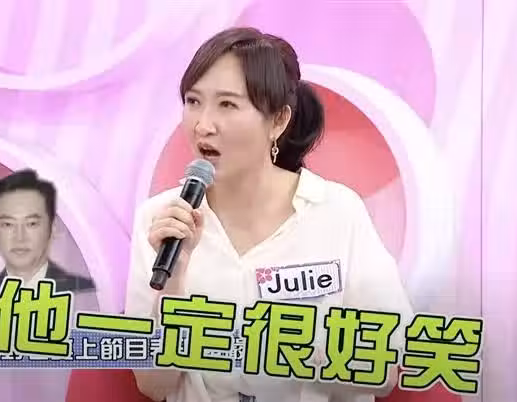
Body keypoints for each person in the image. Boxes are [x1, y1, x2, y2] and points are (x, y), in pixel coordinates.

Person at [125, 27, 414, 402]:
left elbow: (385, 370)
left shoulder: (337, 212)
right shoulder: (161, 220)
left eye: (227, 105)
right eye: (193, 101)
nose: (203, 125)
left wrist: (284, 350)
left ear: (278, 121)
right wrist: (175, 279)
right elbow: (152, 385)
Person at [0, 169, 95, 308]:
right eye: (8, 224)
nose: (19, 237)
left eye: (31, 224)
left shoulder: (85, 293)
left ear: (53, 227)